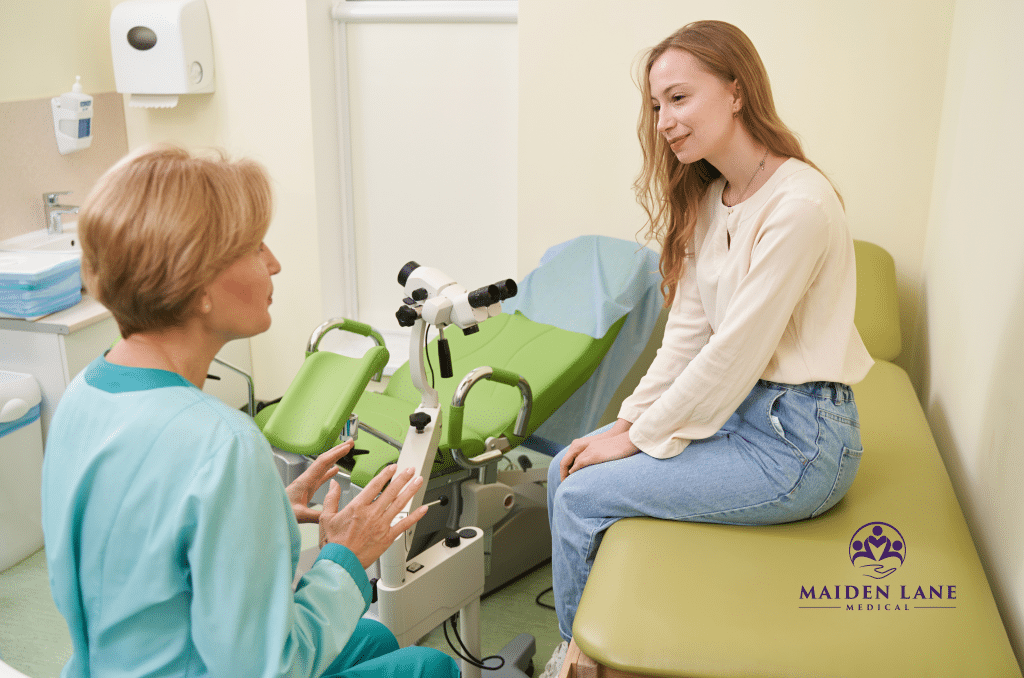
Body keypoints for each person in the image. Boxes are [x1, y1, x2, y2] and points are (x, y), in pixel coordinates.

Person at [41, 145, 460, 678]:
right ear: (197, 281)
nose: (275, 263)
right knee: (427, 668)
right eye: (254, 247)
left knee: (373, 634)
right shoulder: (220, 442)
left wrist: (265, 514)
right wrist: (346, 556)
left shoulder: (84, 393)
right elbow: (264, 668)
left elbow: (135, 541)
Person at [542, 19, 874, 671]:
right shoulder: (713, 198)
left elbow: (734, 355)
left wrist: (633, 440)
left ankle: (581, 662)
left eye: (680, 97)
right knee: (563, 466)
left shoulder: (799, 205)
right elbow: (688, 337)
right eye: (657, 104)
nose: (664, 120)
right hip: (737, 417)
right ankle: (589, 646)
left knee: (582, 493)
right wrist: (629, 421)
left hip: (799, 443)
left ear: (736, 89)